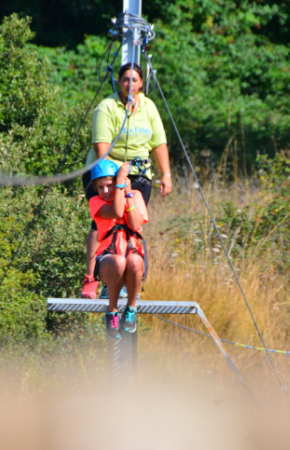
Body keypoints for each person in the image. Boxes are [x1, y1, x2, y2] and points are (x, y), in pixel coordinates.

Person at [81, 62, 172, 299]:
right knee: (105, 219)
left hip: (138, 171)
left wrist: (166, 174)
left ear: (142, 83)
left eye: (134, 80)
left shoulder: (149, 107)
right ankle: (93, 277)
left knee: (132, 223)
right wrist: (118, 180)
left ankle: (131, 282)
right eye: (125, 80)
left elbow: (159, 143)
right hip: (105, 168)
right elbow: (101, 149)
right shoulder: (107, 107)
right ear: (119, 82)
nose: (129, 84)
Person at [89, 159, 148, 338]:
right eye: (100, 187)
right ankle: (112, 312)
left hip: (132, 262)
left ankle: (131, 310)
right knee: (118, 260)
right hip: (108, 261)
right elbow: (115, 212)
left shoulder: (135, 195)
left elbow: (136, 224)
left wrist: (128, 194)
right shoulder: (96, 202)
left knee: (135, 260)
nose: (105, 191)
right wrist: (121, 182)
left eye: (109, 186)